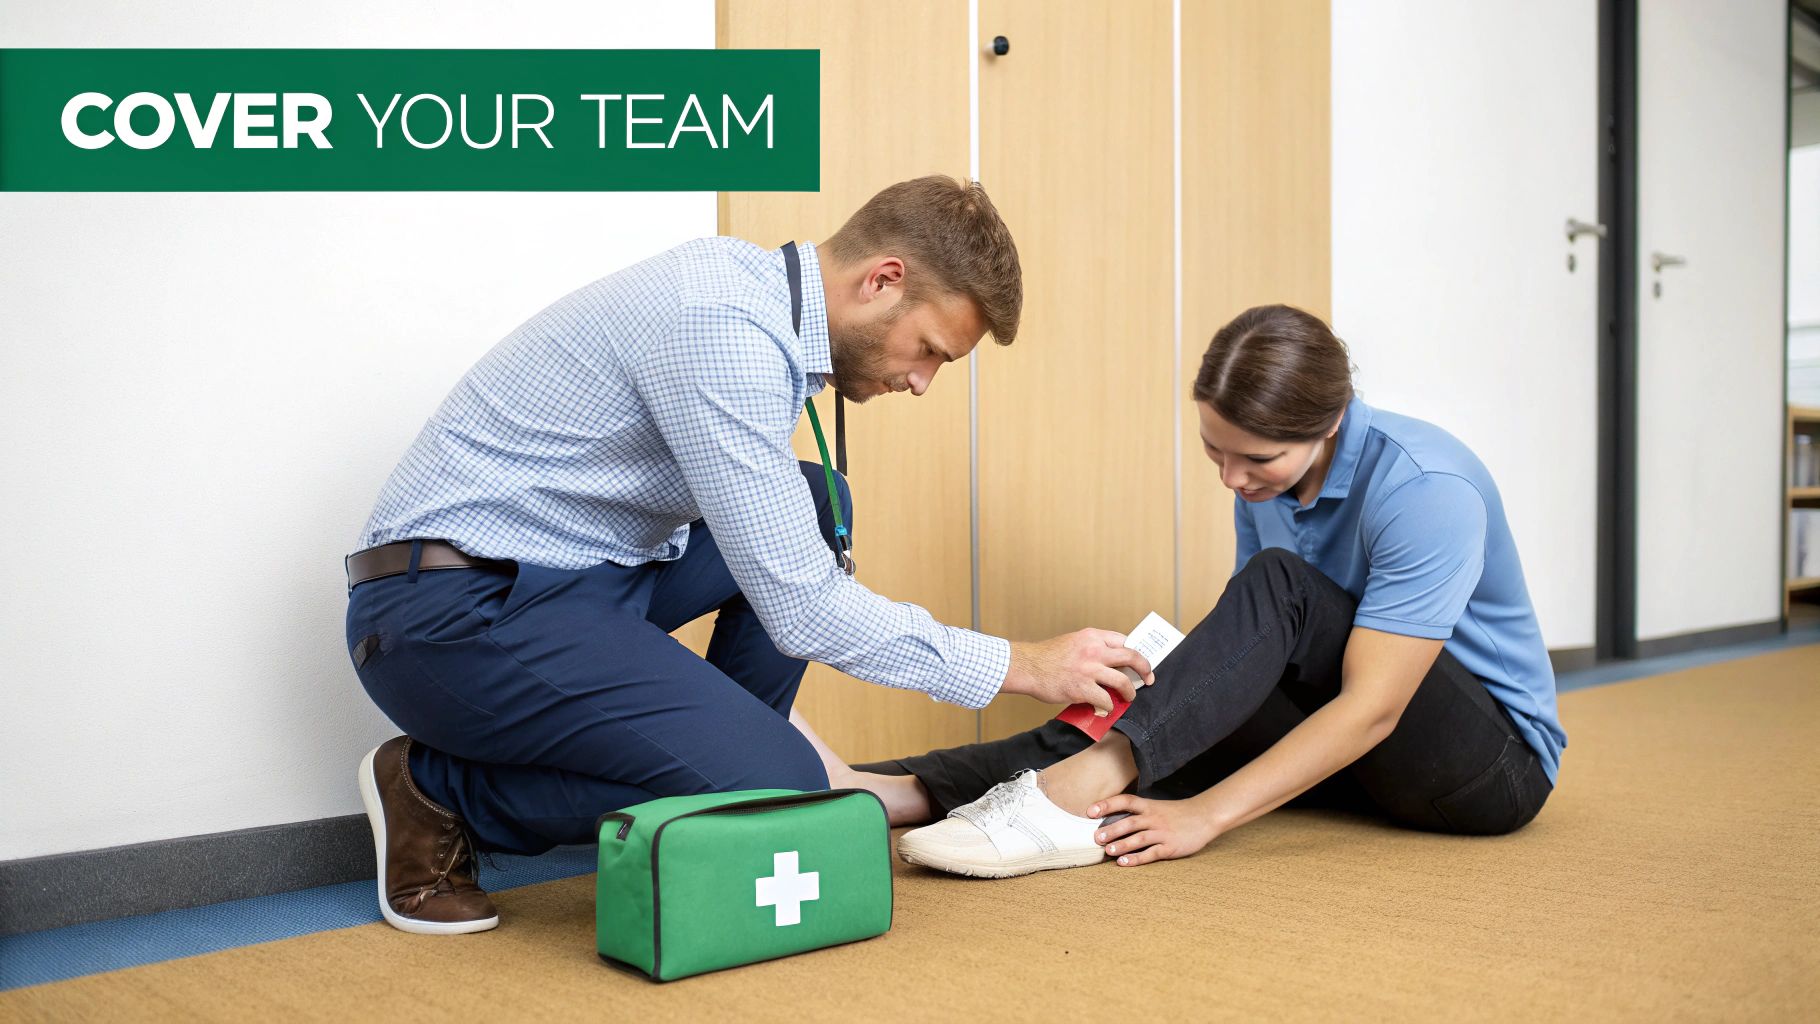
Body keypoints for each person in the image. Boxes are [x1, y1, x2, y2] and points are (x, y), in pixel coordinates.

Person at [343, 176, 1155, 933]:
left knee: (816, 498)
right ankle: (437, 794)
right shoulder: (723, 329)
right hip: (447, 617)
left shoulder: (756, 293)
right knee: (788, 785)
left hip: (572, 582)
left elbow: (782, 562)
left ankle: (734, 770)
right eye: (931, 350)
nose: (922, 383)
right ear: (883, 280)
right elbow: (803, 608)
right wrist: (1024, 663)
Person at [820, 303, 1565, 878]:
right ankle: (898, 791)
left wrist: (1203, 817)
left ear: (1330, 422)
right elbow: (1254, 657)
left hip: (1485, 772)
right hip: (1355, 760)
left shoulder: (1426, 489)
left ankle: (1066, 796)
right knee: (1152, 691)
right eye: (1214, 450)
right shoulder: (1262, 475)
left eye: (1256, 460)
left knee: (1276, 587)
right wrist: (1170, 695)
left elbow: (1373, 709)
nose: (1233, 481)